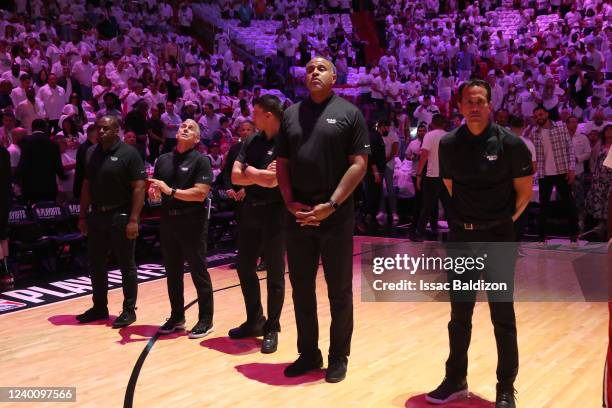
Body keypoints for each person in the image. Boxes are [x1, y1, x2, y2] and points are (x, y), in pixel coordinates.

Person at [428, 79, 533, 408]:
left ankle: (505, 387)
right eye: (468, 102)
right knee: (459, 314)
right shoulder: (447, 143)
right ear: (459, 106)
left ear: (490, 106)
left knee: (502, 315)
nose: (474, 107)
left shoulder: (511, 145)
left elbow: (524, 193)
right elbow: (450, 186)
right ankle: (456, 378)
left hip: (498, 238)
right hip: (462, 238)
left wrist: (499, 226)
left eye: (480, 101)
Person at [276, 57, 369, 383]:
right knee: (301, 289)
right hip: (299, 215)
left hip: (335, 216)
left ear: (334, 76)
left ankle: (338, 356)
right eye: (310, 69)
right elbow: (282, 164)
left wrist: (332, 203)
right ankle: (309, 353)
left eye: (321, 68)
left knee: (339, 291)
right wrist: (288, 201)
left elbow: (359, 164)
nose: (314, 72)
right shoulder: (290, 115)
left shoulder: (349, 113)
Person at [76, 116, 146, 328]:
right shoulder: (90, 152)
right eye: (98, 128)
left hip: (121, 215)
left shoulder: (129, 153)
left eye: (105, 128)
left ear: (117, 130)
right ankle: (99, 307)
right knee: (96, 264)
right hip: (97, 215)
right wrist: (81, 215)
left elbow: (139, 187)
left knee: (126, 264)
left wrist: (134, 219)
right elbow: (86, 185)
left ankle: (128, 310)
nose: (101, 131)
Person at [229, 95, 286, 354]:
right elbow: (234, 177)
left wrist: (249, 171)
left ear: (269, 115)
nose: (251, 117)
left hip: (276, 213)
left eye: (256, 112)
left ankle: (272, 327)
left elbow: (273, 181)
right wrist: (258, 175)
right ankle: (255, 320)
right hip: (251, 211)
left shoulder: (287, 140)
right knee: (244, 267)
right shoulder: (252, 139)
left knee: (274, 274)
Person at [149, 119, 215, 339]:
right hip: (168, 221)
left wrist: (169, 191)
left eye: (191, 128)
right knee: (173, 272)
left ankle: (206, 320)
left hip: (193, 222)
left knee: (198, 271)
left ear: (197, 139)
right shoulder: (164, 160)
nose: (185, 129)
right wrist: (155, 193)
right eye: (182, 127)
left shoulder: (201, 160)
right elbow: (158, 189)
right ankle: (177, 316)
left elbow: (200, 194)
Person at [526, 105, 579, 243]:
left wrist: (572, 169)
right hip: (544, 174)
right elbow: (530, 150)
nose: (539, 117)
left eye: (541, 114)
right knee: (544, 206)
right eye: (536, 116)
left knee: (569, 203)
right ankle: (542, 236)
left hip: (562, 171)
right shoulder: (534, 133)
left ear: (547, 114)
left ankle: (574, 233)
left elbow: (570, 149)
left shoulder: (561, 127)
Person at [412, 114, 450, 241]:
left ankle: (419, 234)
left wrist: (418, 174)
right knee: (449, 207)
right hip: (446, 177)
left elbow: (424, 156)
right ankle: (457, 234)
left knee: (426, 206)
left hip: (432, 176)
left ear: (432, 124)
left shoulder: (429, 136)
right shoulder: (448, 136)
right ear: (444, 124)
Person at [15, 119, 66, 203]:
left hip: (30, 186)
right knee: (49, 212)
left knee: (31, 212)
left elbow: (23, 162)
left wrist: (16, 179)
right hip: (48, 186)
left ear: (32, 128)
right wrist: (62, 176)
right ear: (45, 128)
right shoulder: (53, 144)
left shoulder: (25, 141)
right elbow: (58, 165)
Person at [0, 143, 10, 288]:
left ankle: (3, 270)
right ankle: (6, 270)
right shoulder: (4, 151)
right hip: (5, 197)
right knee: (2, 233)